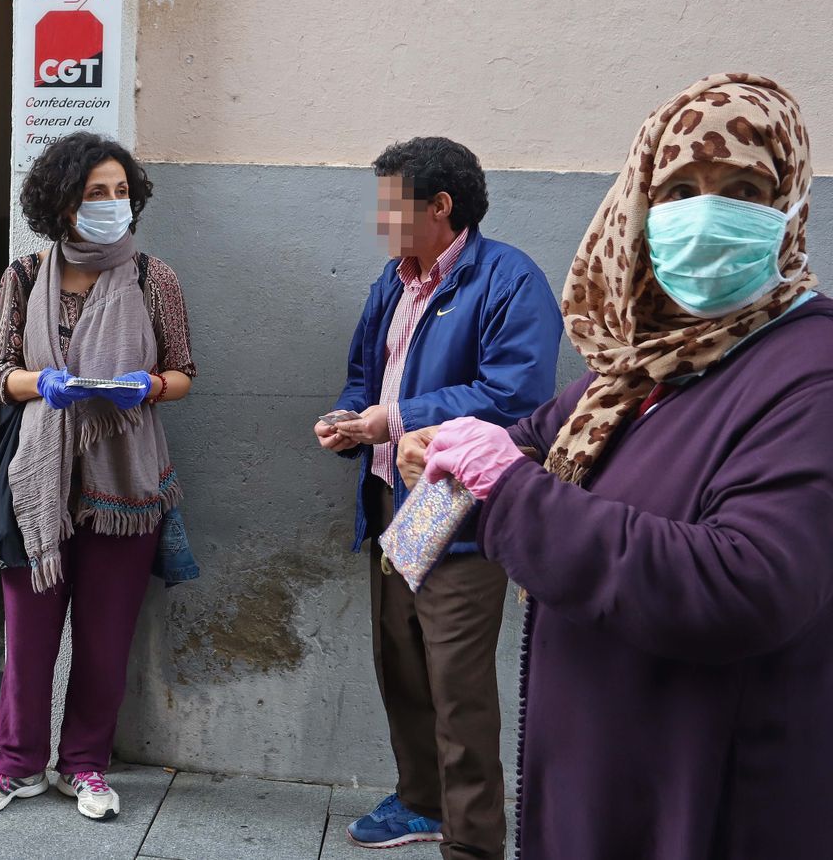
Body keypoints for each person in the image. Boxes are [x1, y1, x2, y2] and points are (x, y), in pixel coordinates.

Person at [399, 73, 833, 860]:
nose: (707, 215)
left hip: (704, 803)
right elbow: (538, 431)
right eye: (681, 189)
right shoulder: (650, 364)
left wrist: (508, 491)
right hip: (604, 787)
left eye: (744, 189)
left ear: (791, 209)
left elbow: (749, 581)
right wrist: (439, 445)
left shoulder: (808, 371)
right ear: (640, 204)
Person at [316, 137, 560, 857]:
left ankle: (475, 840)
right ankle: (421, 799)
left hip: (459, 507)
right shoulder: (392, 282)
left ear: (440, 207)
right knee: (400, 657)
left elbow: (513, 395)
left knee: (457, 682)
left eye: (390, 206)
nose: (380, 221)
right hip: (395, 498)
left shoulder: (509, 280)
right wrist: (347, 421)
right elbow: (365, 374)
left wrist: (393, 418)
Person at [0, 132, 196, 822]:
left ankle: (86, 765)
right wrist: (45, 384)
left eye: (121, 192)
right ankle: (15, 764)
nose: (112, 204)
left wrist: (146, 385)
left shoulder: (156, 278)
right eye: (97, 193)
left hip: (125, 486)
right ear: (64, 203)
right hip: (38, 486)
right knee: (27, 643)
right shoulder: (25, 277)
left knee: (104, 641)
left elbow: (185, 372)